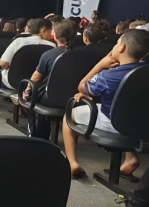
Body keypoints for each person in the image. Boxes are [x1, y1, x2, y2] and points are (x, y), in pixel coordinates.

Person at [63, 29, 149, 179]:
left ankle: (72, 163)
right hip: (141, 124)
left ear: (121, 48)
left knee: (69, 115)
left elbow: (82, 86)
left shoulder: (109, 75)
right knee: (127, 111)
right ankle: (131, 159)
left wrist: (100, 65)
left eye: (116, 43)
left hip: (113, 123)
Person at [0, 18, 55, 118]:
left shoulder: (19, 41)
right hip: (37, 85)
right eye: (50, 31)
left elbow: (3, 63)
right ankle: (20, 110)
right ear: (43, 31)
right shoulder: (52, 46)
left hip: (13, 82)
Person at [25, 19, 77, 139]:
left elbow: (36, 77)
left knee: (30, 96)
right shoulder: (83, 54)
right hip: (76, 99)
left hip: (51, 98)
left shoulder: (48, 54)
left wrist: (27, 89)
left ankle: (39, 137)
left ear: (56, 35)